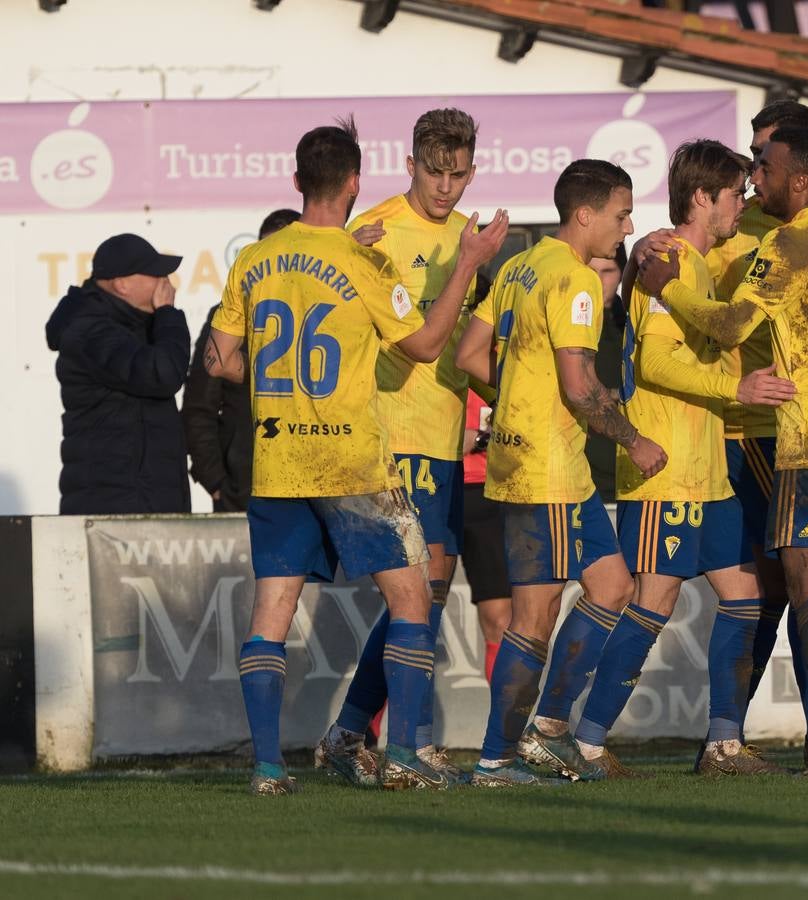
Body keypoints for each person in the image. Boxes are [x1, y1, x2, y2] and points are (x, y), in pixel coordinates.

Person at [204, 116, 508, 795]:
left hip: (279, 461)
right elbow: (427, 346)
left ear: (295, 181)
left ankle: (265, 769)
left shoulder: (254, 259)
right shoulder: (361, 256)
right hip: (353, 458)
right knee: (413, 599)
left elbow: (220, 360)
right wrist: (466, 264)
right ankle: (402, 752)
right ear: (354, 181)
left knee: (270, 617)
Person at [639, 126, 808, 777]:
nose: (755, 179)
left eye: (763, 168)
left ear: (797, 178)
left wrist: (668, 288)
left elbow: (732, 323)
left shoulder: (789, 240)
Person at [571, 139, 795, 778]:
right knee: (655, 601)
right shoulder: (671, 260)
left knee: (745, 593)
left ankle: (723, 743)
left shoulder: (692, 257)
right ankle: (586, 740)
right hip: (665, 468)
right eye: (734, 195)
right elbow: (656, 361)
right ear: (704, 197)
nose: (741, 206)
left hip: (707, 471)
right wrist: (737, 388)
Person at [455, 159, 666, 786]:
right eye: (621, 214)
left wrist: (520, 390)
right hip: (544, 467)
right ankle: (495, 759)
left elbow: (470, 354)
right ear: (586, 214)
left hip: (548, 462)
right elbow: (579, 385)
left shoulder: (520, 266)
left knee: (612, 587)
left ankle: (547, 728)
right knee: (533, 618)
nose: (626, 228)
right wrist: (634, 440)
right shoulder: (574, 280)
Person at [313, 108, 490, 786]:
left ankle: (350, 734)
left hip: (444, 437)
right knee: (420, 593)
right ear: (409, 164)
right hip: (395, 436)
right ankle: (401, 748)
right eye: (435, 172)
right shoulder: (375, 232)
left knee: (426, 597)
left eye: (458, 174)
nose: (446, 188)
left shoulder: (464, 236)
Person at [46, 233, 190, 515]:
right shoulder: (89, 331)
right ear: (122, 284)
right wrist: (168, 316)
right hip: (114, 508)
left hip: (144, 502)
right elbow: (163, 374)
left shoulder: (133, 325)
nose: (166, 283)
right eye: (155, 274)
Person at [183, 209, 299, 512]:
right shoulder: (228, 317)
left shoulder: (332, 314)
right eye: (266, 255)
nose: (276, 266)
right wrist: (218, 483)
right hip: (246, 489)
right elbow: (199, 406)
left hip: (320, 483)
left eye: (286, 255)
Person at [462, 387, 512, 680]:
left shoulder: (513, 349)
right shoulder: (427, 344)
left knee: (502, 620)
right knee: (411, 616)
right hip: (437, 486)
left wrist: (483, 438)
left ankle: (504, 726)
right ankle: (365, 724)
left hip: (499, 490)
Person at [584, 245, 628, 500]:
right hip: (583, 473)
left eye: (608, 271)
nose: (598, 281)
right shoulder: (562, 323)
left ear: (621, 273)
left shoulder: (634, 324)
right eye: (591, 271)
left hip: (628, 468)